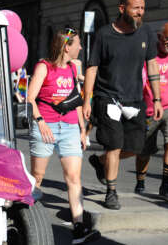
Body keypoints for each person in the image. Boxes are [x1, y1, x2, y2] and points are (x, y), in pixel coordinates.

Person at [84, 0, 163, 210]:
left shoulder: (146, 32)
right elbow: (92, 68)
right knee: (114, 145)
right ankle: (111, 192)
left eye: (143, 8)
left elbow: (153, 65)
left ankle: (100, 162)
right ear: (122, 9)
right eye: (136, 8)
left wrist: (157, 98)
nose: (140, 12)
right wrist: (87, 100)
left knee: (137, 147)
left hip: (134, 98)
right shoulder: (104, 34)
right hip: (107, 96)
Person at [27, 28, 100, 244]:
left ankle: (79, 227)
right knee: (37, 178)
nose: (80, 47)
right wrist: (40, 123)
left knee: (74, 178)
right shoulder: (44, 67)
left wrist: (81, 129)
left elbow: (75, 99)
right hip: (46, 127)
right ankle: (30, 221)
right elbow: (30, 99)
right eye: (77, 44)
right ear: (66, 46)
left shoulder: (71, 68)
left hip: (69, 128)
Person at [134, 22, 168, 202]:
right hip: (147, 108)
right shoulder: (147, 54)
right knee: (143, 151)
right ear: (159, 37)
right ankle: (140, 182)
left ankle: (166, 186)